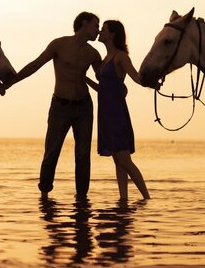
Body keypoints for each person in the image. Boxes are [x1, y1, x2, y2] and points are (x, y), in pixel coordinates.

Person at [11, 12, 101, 199]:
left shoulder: (93, 53)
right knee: (52, 151)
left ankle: (82, 198)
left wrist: (118, 86)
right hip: (60, 106)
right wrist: (10, 82)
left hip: (84, 106)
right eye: (95, 25)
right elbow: (35, 65)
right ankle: (44, 194)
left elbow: (105, 81)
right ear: (84, 24)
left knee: (83, 154)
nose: (98, 30)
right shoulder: (59, 44)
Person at [86, 20, 150, 200]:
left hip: (116, 113)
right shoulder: (105, 58)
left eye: (104, 29)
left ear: (112, 34)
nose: (100, 32)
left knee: (124, 159)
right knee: (118, 160)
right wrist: (84, 79)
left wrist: (151, 80)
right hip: (105, 113)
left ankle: (147, 197)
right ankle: (123, 199)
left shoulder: (120, 57)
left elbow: (137, 77)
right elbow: (103, 88)